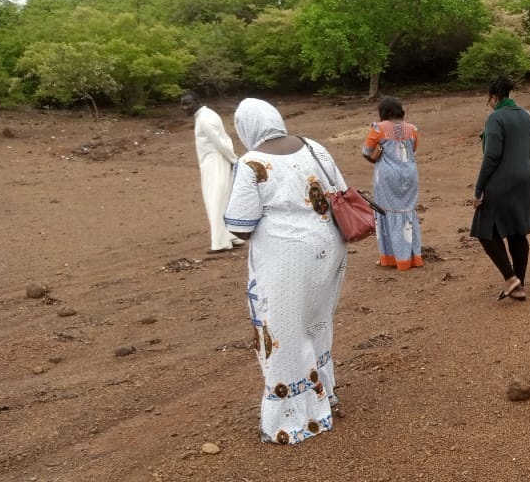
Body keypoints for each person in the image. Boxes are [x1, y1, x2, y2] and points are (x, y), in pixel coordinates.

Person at [224, 98, 349, 445]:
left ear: (245, 128)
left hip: (289, 258)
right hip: (329, 247)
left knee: (283, 332)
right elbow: (339, 189)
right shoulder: (314, 146)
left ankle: (295, 419)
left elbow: (240, 223)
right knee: (315, 321)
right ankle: (323, 393)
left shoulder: (251, 163)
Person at [471, 76, 530, 301]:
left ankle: (511, 278)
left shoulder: (495, 118)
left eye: (488, 100)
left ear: (494, 98)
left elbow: (492, 156)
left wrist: (479, 188)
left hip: (503, 180)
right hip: (529, 178)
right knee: (517, 231)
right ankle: (519, 284)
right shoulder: (528, 115)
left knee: (485, 229)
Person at [362, 96, 423, 270]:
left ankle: (392, 258)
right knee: (407, 212)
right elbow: (414, 149)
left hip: (387, 176)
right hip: (410, 175)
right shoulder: (412, 129)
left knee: (386, 213)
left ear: (383, 113)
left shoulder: (378, 128)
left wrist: (376, 158)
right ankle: (412, 257)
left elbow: (366, 151)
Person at [181, 91, 245, 253]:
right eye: (182, 104)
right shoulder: (207, 115)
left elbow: (220, 142)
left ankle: (220, 243)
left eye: (187, 103)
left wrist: (233, 160)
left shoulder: (204, 119)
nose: (184, 108)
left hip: (215, 162)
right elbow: (225, 139)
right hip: (215, 161)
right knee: (223, 199)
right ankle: (232, 236)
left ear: (197, 101)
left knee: (215, 200)